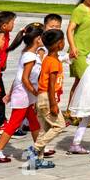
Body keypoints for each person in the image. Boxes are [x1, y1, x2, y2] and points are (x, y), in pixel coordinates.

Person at [0, 23, 46, 165]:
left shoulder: (28, 53)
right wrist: (36, 92)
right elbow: (25, 79)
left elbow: (18, 77)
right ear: (38, 39)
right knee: (13, 124)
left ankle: (40, 149)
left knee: (33, 122)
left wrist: (10, 93)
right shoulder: (30, 57)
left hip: (25, 94)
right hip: (24, 95)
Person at [32, 28, 68, 166]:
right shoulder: (53, 62)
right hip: (47, 98)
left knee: (45, 129)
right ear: (59, 44)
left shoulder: (49, 59)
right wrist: (53, 104)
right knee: (59, 125)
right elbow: (51, 85)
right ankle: (35, 148)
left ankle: (38, 160)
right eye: (63, 40)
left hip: (42, 98)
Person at [0, 10, 16, 130]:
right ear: (4, 25)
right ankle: (1, 124)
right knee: (0, 97)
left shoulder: (6, 34)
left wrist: (4, 62)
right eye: (12, 22)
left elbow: (6, 50)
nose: (14, 25)